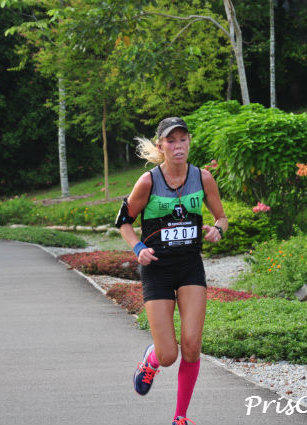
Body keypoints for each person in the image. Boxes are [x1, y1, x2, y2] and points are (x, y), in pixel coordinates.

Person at [115, 117, 228, 425]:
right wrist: (138, 248)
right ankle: (151, 359)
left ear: (189, 142)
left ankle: (180, 417)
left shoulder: (203, 178)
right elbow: (123, 221)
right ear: (161, 145)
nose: (178, 146)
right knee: (169, 356)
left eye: (183, 139)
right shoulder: (148, 182)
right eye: (171, 140)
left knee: (191, 347)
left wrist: (218, 229)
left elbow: (221, 217)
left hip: (190, 266)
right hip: (157, 270)